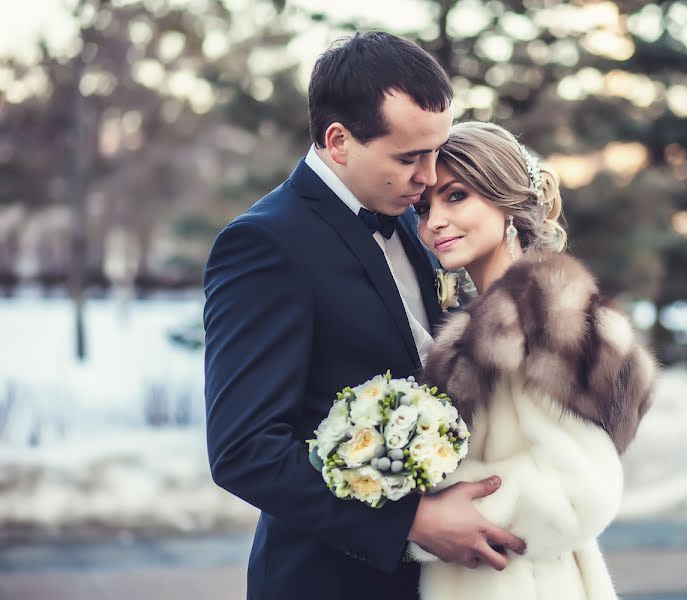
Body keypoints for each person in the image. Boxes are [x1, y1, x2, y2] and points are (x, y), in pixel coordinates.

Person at [203, 34, 524, 600]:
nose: (429, 176)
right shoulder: (265, 244)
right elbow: (244, 450)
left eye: (436, 149)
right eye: (409, 157)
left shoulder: (413, 221)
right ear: (338, 141)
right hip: (327, 582)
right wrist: (409, 523)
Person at [409, 121, 658, 599]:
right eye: (424, 207)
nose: (433, 221)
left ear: (505, 200)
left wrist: (427, 506)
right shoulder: (484, 321)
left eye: (456, 196)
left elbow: (578, 488)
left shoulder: (533, 318)